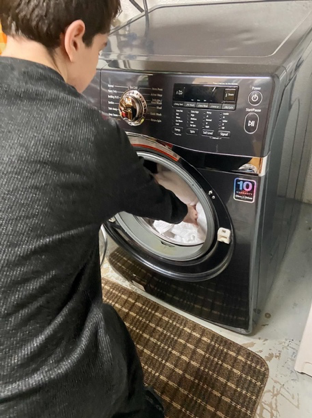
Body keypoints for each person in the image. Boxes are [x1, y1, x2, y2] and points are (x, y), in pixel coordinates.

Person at [0, 1, 198, 417]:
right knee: (112, 336)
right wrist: (189, 212)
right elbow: (157, 201)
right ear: (74, 40)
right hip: (44, 391)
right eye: (101, 47)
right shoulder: (87, 133)